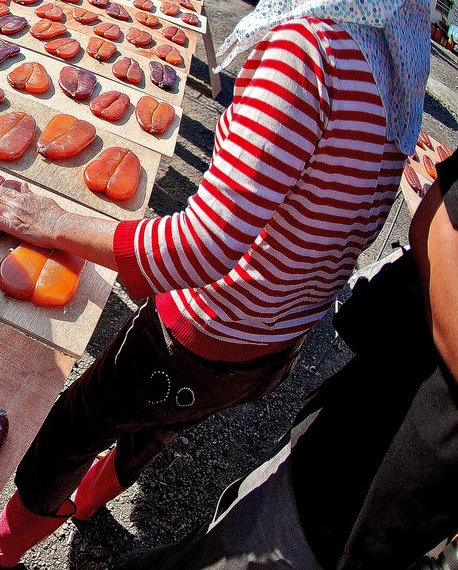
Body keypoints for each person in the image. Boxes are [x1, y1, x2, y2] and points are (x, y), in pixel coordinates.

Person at [0, 0, 433, 567]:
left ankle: (0, 545)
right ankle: (91, 502)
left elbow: (206, 244)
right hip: (274, 343)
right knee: (156, 424)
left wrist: (53, 220)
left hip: (208, 329)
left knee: (83, 416)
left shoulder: (310, 48)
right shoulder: (387, 68)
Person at [109, 148, 457, 570]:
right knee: (224, 535)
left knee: (137, 430)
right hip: (357, 476)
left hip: (385, 492)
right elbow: (440, 221)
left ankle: (82, 505)